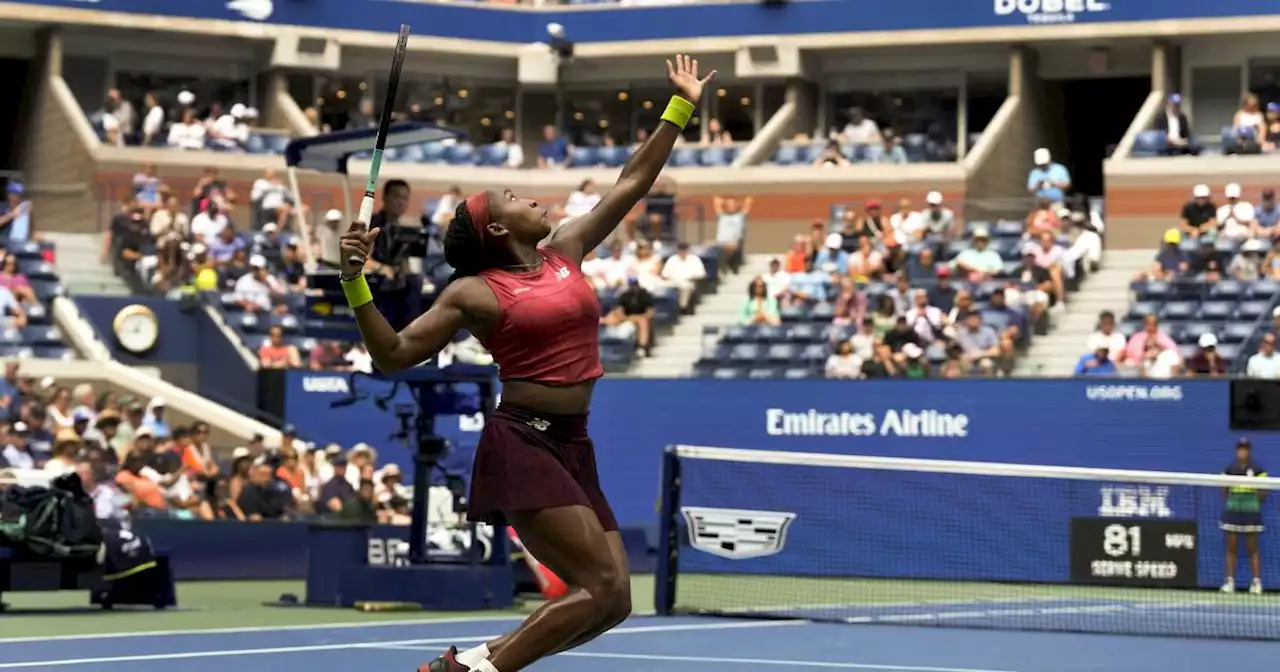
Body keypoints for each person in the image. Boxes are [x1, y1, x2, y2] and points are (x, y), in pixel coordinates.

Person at [337, 54, 714, 672]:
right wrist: (355, 282)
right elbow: (395, 353)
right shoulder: (474, 293)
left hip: (573, 442)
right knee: (597, 587)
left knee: (615, 601)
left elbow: (631, 183)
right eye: (511, 198)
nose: (530, 199)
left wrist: (681, 105)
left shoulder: (565, 250)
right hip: (523, 446)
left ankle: (468, 665)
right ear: (493, 230)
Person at [1221, 438, 1267, 595]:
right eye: (1240, 448)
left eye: (1245, 449)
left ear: (1249, 451)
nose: (1242, 451)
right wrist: (1233, 502)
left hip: (1250, 512)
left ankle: (1256, 582)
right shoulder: (1230, 468)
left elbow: (1263, 493)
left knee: (1252, 548)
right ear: (1237, 450)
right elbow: (1224, 490)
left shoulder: (1257, 469)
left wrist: (1251, 503)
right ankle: (1230, 581)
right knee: (1231, 547)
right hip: (1233, 511)